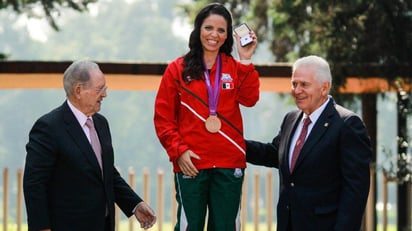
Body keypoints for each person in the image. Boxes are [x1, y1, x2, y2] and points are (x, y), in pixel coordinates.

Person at [153, 3, 259, 230]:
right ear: (198, 29)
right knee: (189, 226)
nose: (214, 35)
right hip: (192, 163)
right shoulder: (177, 69)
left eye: (221, 30)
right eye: (208, 27)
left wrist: (246, 59)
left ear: (228, 35)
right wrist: (178, 152)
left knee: (226, 227)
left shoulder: (234, 67)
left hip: (229, 162)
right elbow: (163, 119)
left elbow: (250, 99)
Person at [23, 60, 156, 231]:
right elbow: (34, 184)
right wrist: (41, 228)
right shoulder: (49, 127)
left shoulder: (101, 124)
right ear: (78, 91)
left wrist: (135, 204)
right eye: (99, 89)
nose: (105, 94)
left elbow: (107, 174)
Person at [246, 55, 372, 231]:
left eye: (304, 84)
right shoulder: (291, 119)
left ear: (324, 87)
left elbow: (355, 192)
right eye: (294, 84)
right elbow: (276, 154)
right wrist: (235, 144)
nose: (297, 90)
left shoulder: (347, 125)